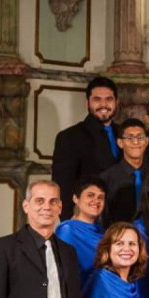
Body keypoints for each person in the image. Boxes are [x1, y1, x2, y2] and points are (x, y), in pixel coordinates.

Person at [53, 76, 122, 219]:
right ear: (87, 103)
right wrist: (72, 224)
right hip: (89, 220)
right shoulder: (70, 137)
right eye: (97, 99)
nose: (103, 104)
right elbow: (63, 188)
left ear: (117, 102)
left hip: (123, 219)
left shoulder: (125, 133)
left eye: (109, 99)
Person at [55, 178, 107, 283]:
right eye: (90, 195)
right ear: (76, 199)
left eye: (100, 197)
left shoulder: (101, 231)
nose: (96, 201)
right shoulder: (67, 231)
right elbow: (62, 272)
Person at [101, 119, 149, 225]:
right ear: (120, 143)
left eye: (140, 137)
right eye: (129, 138)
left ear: (146, 141)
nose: (135, 142)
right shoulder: (106, 179)